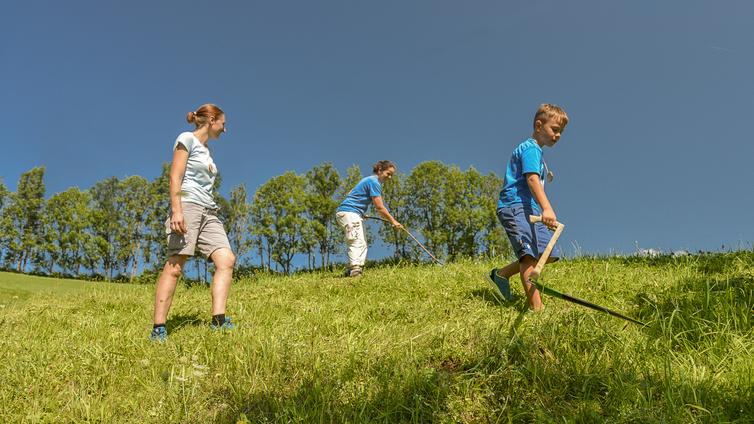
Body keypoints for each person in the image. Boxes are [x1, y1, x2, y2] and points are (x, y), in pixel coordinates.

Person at [150, 104, 236, 342]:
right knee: (176, 265)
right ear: (211, 119)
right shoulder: (186, 138)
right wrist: (177, 211)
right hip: (187, 206)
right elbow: (175, 176)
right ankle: (158, 328)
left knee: (226, 259)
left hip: (209, 211)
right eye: (223, 123)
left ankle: (218, 321)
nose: (225, 129)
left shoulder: (207, 151)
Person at [489, 104, 568, 311]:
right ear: (539, 125)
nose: (558, 135)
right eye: (555, 129)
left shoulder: (538, 154)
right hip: (515, 206)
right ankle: (537, 311)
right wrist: (547, 209)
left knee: (546, 254)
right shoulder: (530, 148)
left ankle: (501, 274)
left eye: (561, 132)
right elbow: (532, 179)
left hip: (531, 209)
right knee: (529, 257)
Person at [336, 161, 403, 277]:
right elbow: (380, 207)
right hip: (349, 212)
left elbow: (353, 195)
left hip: (351, 213)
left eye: (392, 175)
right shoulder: (374, 182)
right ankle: (355, 271)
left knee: (361, 242)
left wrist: (360, 213)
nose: (390, 177)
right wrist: (393, 221)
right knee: (356, 240)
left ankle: (351, 270)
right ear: (380, 170)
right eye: (388, 173)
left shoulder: (369, 180)